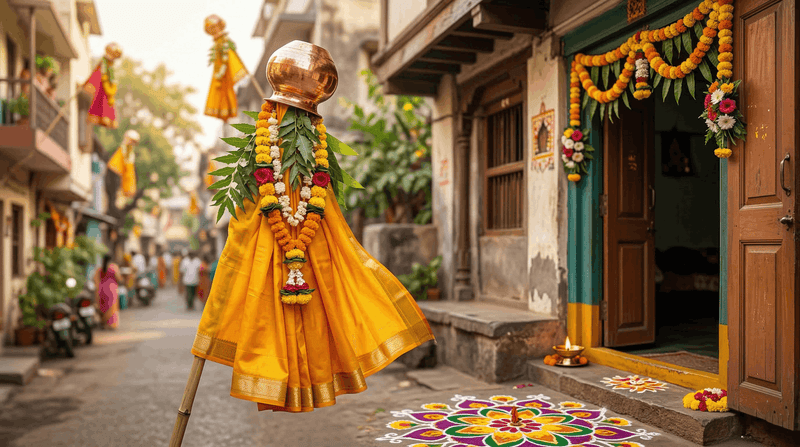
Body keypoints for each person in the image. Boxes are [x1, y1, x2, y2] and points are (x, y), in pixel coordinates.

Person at [94, 255, 123, 329]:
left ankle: (104, 323)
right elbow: (119, 278)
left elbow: (96, 279)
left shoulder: (100, 268)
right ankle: (112, 324)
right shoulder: (113, 267)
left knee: (103, 307)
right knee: (112, 307)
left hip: (101, 289)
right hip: (111, 290)